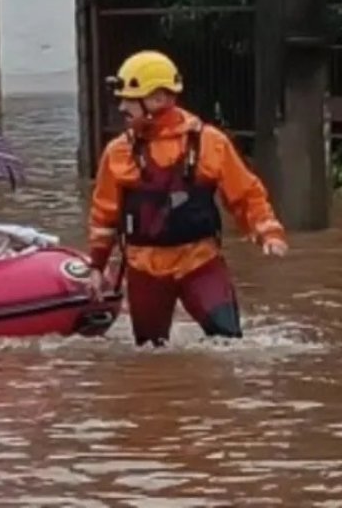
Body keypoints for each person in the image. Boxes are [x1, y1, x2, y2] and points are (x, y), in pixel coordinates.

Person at [86, 50, 289, 346]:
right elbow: (104, 216)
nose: (121, 107)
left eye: (129, 100)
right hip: (144, 269)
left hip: (199, 263)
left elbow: (245, 194)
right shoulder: (117, 153)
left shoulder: (210, 143)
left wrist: (267, 232)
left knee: (229, 343)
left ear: (156, 98)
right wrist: (96, 267)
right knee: (150, 354)